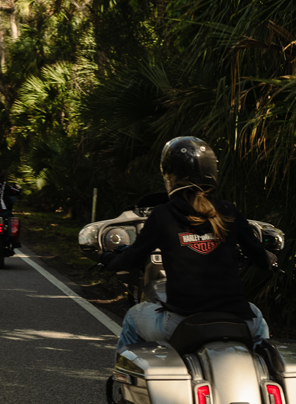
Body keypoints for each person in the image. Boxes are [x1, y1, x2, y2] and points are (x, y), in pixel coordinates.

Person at [101, 136, 277, 352]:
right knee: (257, 318)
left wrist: (108, 258)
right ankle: (263, 368)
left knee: (131, 318)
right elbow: (259, 257)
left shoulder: (163, 214)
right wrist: (269, 258)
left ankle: (126, 382)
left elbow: (132, 258)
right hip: (238, 318)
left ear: (170, 177)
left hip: (179, 322)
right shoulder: (229, 212)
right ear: (213, 172)